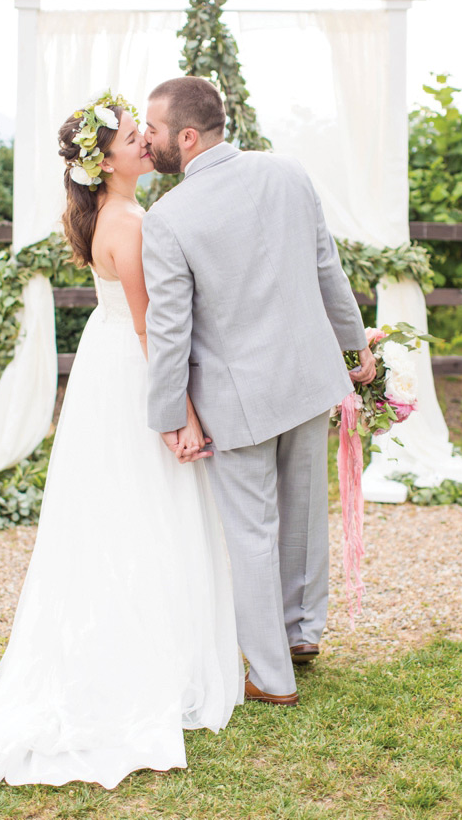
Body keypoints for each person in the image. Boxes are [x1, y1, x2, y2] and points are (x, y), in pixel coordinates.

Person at [0, 92, 242, 798]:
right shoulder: (128, 220)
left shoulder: (107, 214)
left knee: (120, 510)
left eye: (142, 133)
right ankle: (154, 655)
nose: (146, 144)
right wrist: (183, 412)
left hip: (103, 370)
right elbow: (147, 326)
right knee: (149, 508)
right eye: (134, 137)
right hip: (131, 372)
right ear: (109, 161)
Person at [142, 76, 376, 707]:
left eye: (155, 130)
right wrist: (355, 351)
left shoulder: (166, 219)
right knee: (303, 515)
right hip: (307, 376)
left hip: (237, 399)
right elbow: (328, 267)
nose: (147, 139)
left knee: (252, 531)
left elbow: (170, 330)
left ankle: (272, 678)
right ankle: (302, 634)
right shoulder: (289, 172)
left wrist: (168, 415)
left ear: (187, 137)